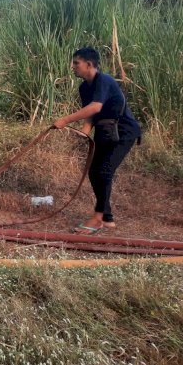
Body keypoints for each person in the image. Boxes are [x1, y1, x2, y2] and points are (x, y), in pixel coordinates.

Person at [53, 47, 141, 235]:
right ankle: (107, 218)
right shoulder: (84, 87)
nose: (73, 67)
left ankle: (99, 218)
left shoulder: (104, 80)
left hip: (123, 131)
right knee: (94, 172)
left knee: (104, 171)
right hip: (105, 131)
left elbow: (96, 106)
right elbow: (90, 113)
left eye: (76, 63)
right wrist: (86, 130)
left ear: (89, 64)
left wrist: (65, 120)